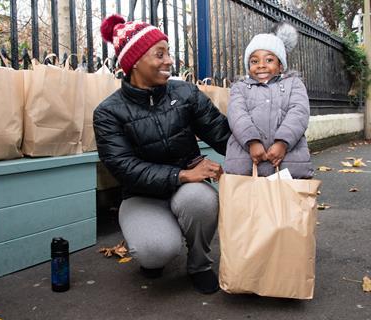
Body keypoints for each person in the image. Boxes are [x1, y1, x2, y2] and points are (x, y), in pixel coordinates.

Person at [93, 15, 231, 294]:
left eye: (168, 52)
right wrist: (182, 174)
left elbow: (222, 134)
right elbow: (125, 168)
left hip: (188, 191)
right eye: (160, 54)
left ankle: (199, 265)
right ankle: (154, 245)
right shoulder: (108, 113)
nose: (169, 60)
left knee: (202, 201)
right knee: (155, 251)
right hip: (141, 196)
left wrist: (262, 152)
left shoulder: (186, 93)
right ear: (133, 62)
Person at [224, 22, 313, 179]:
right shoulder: (240, 88)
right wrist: (252, 141)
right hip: (245, 163)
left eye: (269, 60)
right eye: (254, 61)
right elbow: (237, 115)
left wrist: (282, 143)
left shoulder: (294, 84)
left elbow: (299, 113)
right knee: (247, 202)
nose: (261, 66)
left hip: (288, 163)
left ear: (281, 65)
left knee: (287, 202)